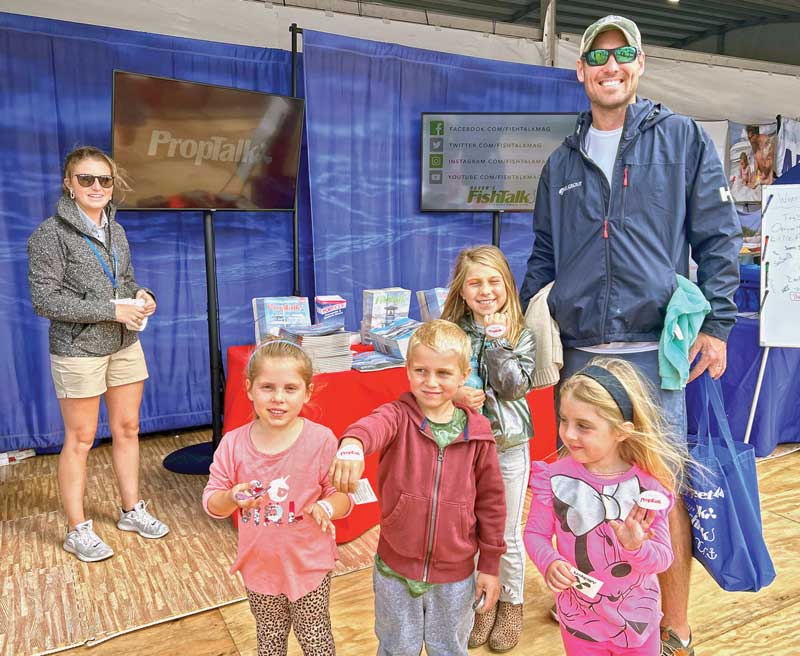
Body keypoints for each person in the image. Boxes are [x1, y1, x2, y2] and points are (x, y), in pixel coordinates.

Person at [518, 15, 741, 656]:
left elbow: (718, 238)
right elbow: (542, 256)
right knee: (582, 486)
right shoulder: (562, 160)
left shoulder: (682, 141)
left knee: (655, 493)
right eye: (598, 56)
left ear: (639, 66)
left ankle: (673, 628)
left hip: (655, 354)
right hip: (583, 355)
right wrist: (529, 326)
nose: (611, 66)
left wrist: (718, 323)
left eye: (624, 55)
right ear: (581, 70)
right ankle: (596, 609)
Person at [329, 320, 507, 656]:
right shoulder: (397, 415)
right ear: (408, 370)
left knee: (449, 648)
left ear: (463, 373)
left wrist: (491, 565)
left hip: (456, 575)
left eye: (443, 373)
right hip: (395, 570)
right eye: (421, 370)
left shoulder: (479, 433)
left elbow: (492, 503)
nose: (431, 382)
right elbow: (371, 426)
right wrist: (352, 444)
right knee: (397, 648)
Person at [27, 146, 168, 563]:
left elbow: (124, 281)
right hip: (78, 350)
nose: (96, 187)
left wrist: (142, 297)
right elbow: (44, 300)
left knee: (128, 428)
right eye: (85, 179)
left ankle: (130, 510)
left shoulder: (116, 232)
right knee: (82, 438)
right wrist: (112, 309)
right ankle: (76, 530)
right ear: (68, 184)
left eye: (104, 180)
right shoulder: (49, 235)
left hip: (124, 343)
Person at [524, 358, 685, 655]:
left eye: (583, 426)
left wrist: (636, 546)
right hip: (579, 622)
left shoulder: (648, 490)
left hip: (638, 622)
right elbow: (535, 534)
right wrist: (550, 562)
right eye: (564, 420)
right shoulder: (555, 479)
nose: (568, 434)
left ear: (621, 431)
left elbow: (663, 559)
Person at [203, 338, 353, 656]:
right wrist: (231, 497)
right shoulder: (232, 444)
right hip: (260, 568)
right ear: (249, 389)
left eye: (290, 388)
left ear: (307, 392)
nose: (278, 398)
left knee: (315, 636)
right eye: (267, 387)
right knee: (269, 638)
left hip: (310, 566)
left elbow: (343, 497)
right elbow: (212, 501)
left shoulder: (321, 440)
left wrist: (327, 506)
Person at [440, 245, 536, 651]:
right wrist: (454, 392)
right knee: (468, 529)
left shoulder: (520, 333)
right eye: (475, 282)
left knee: (506, 533)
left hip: (509, 447)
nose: (485, 290)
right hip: (463, 447)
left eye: (493, 281)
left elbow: (514, 387)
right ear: (461, 291)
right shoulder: (449, 334)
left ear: (507, 286)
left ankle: (510, 602)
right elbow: (429, 383)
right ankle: (483, 603)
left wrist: (497, 344)